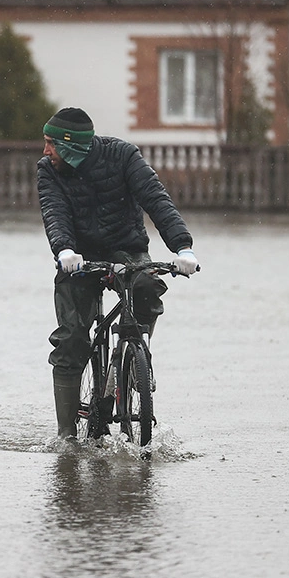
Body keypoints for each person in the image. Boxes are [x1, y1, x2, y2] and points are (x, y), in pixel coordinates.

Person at [37, 106, 199, 439]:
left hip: (127, 249)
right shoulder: (48, 171)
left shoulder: (123, 156)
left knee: (148, 289)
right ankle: (66, 436)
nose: (45, 151)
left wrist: (182, 247)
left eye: (51, 144)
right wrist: (65, 251)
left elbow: (156, 199)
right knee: (71, 338)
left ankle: (137, 356)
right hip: (77, 258)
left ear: (70, 145)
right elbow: (54, 212)